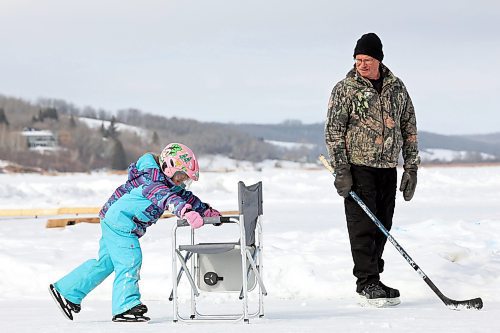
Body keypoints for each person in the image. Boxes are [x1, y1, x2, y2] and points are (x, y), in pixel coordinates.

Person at [49, 143, 221, 322]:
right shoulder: (151, 181)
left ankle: (67, 291)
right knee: (130, 259)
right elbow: (166, 199)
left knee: (105, 264)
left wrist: (204, 210)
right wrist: (185, 212)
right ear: (168, 169)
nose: (182, 182)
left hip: (113, 219)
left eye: (185, 179)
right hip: (121, 223)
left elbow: (185, 197)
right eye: (180, 177)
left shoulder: (170, 184)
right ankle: (125, 307)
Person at [324, 33, 420, 306]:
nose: (361, 65)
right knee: (363, 226)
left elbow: (409, 129)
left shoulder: (397, 88)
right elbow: (334, 131)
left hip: (387, 167)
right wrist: (341, 169)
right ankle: (366, 282)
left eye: (366, 59)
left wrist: (411, 168)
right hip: (358, 167)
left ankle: (374, 278)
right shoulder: (345, 88)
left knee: (383, 225)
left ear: (378, 59)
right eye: (358, 60)